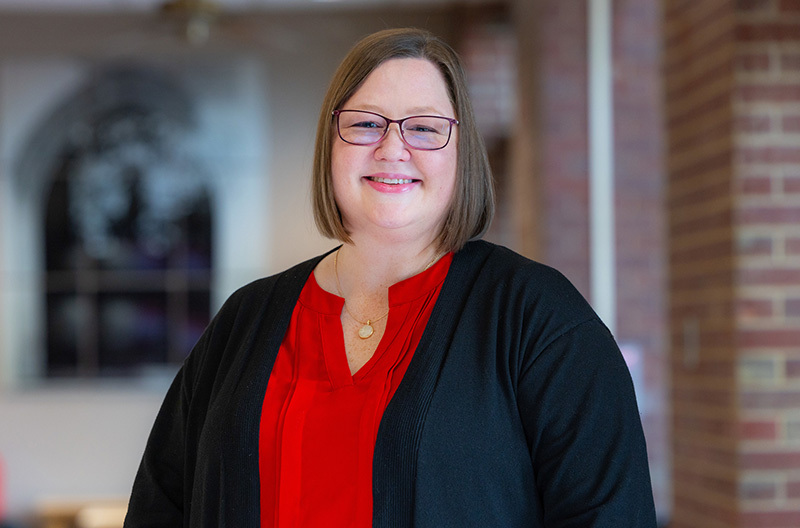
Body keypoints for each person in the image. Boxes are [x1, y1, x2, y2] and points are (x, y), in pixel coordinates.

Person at [124, 27, 657, 527]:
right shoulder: (245, 319)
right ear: (330, 145)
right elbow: (159, 506)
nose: (392, 147)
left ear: (461, 153)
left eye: (424, 128)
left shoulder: (539, 318)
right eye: (365, 123)